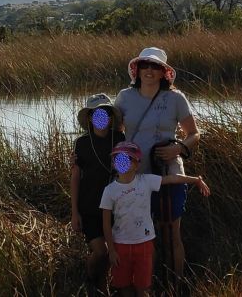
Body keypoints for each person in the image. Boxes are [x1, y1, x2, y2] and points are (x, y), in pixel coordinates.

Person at [114, 47, 200, 278]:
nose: (149, 71)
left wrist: (178, 148)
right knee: (142, 232)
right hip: (134, 175)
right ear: (137, 70)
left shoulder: (175, 98)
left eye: (155, 67)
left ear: (164, 73)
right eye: (145, 66)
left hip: (169, 173)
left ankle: (176, 282)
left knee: (171, 231)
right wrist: (83, 149)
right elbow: (110, 129)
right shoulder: (125, 97)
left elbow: (193, 133)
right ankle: (147, 285)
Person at [100, 141, 210, 297]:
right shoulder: (109, 190)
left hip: (144, 244)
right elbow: (105, 223)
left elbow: (173, 178)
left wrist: (196, 180)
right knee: (124, 287)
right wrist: (111, 250)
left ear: (137, 164)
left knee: (144, 287)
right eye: (118, 158)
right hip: (120, 245)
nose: (122, 161)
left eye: (127, 158)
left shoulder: (146, 181)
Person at [70, 93, 126, 295]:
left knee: (113, 252)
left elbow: (125, 169)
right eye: (96, 113)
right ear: (89, 118)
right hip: (89, 206)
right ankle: (90, 277)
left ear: (111, 118)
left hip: (114, 207)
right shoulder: (81, 144)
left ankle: (102, 288)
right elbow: (75, 178)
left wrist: (120, 164)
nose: (101, 117)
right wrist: (74, 212)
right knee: (101, 252)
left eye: (105, 113)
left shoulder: (119, 139)